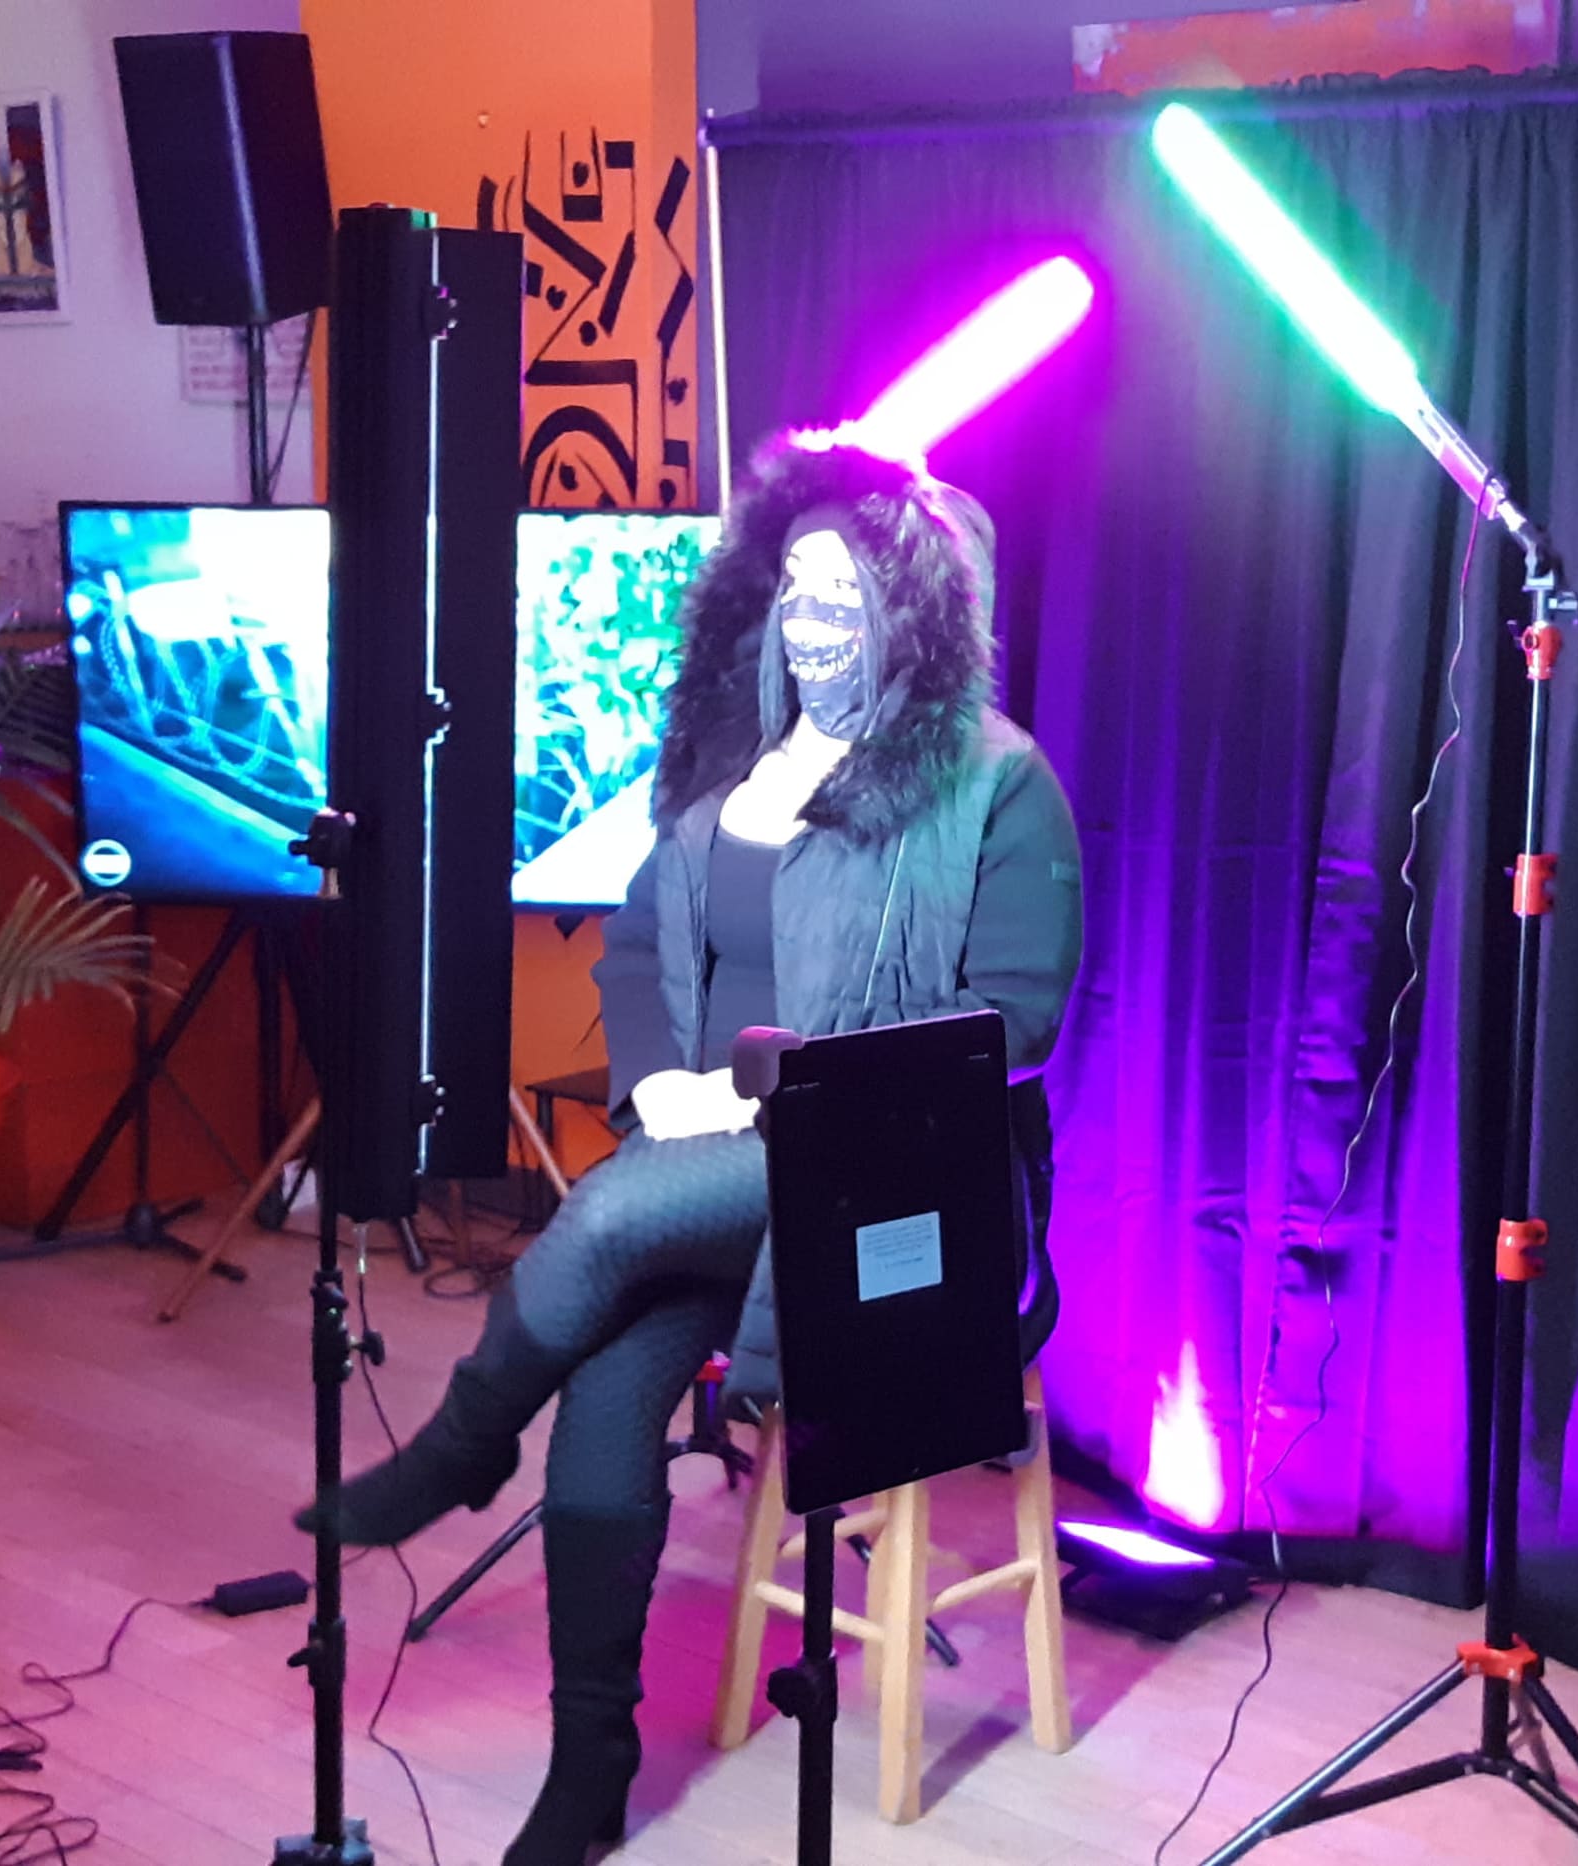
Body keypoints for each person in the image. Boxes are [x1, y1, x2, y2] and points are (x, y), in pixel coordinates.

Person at [297, 436, 1084, 1865]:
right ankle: (590, 1758)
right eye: (796, 590)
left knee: (596, 1229)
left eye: (848, 595)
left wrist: (770, 1096)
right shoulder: (738, 763)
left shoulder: (996, 782)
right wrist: (665, 1084)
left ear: (916, 610)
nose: (813, 621)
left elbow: (1010, 1028)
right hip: (709, 1175)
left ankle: (461, 1446)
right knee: (606, 1381)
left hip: (883, 1185)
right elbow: (643, 948)